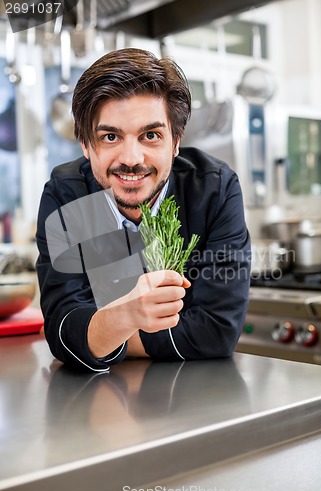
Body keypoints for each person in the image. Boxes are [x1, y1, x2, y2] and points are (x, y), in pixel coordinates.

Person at [36, 47, 251, 372]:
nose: (131, 158)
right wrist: (129, 314)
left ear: (176, 141)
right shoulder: (68, 196)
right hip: (101, 408)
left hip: (195, 397)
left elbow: (216, 332)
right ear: (85, 145)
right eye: (110, 137)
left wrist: (107, 332)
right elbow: (64, 332)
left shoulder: (213, 189)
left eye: (150, 135)